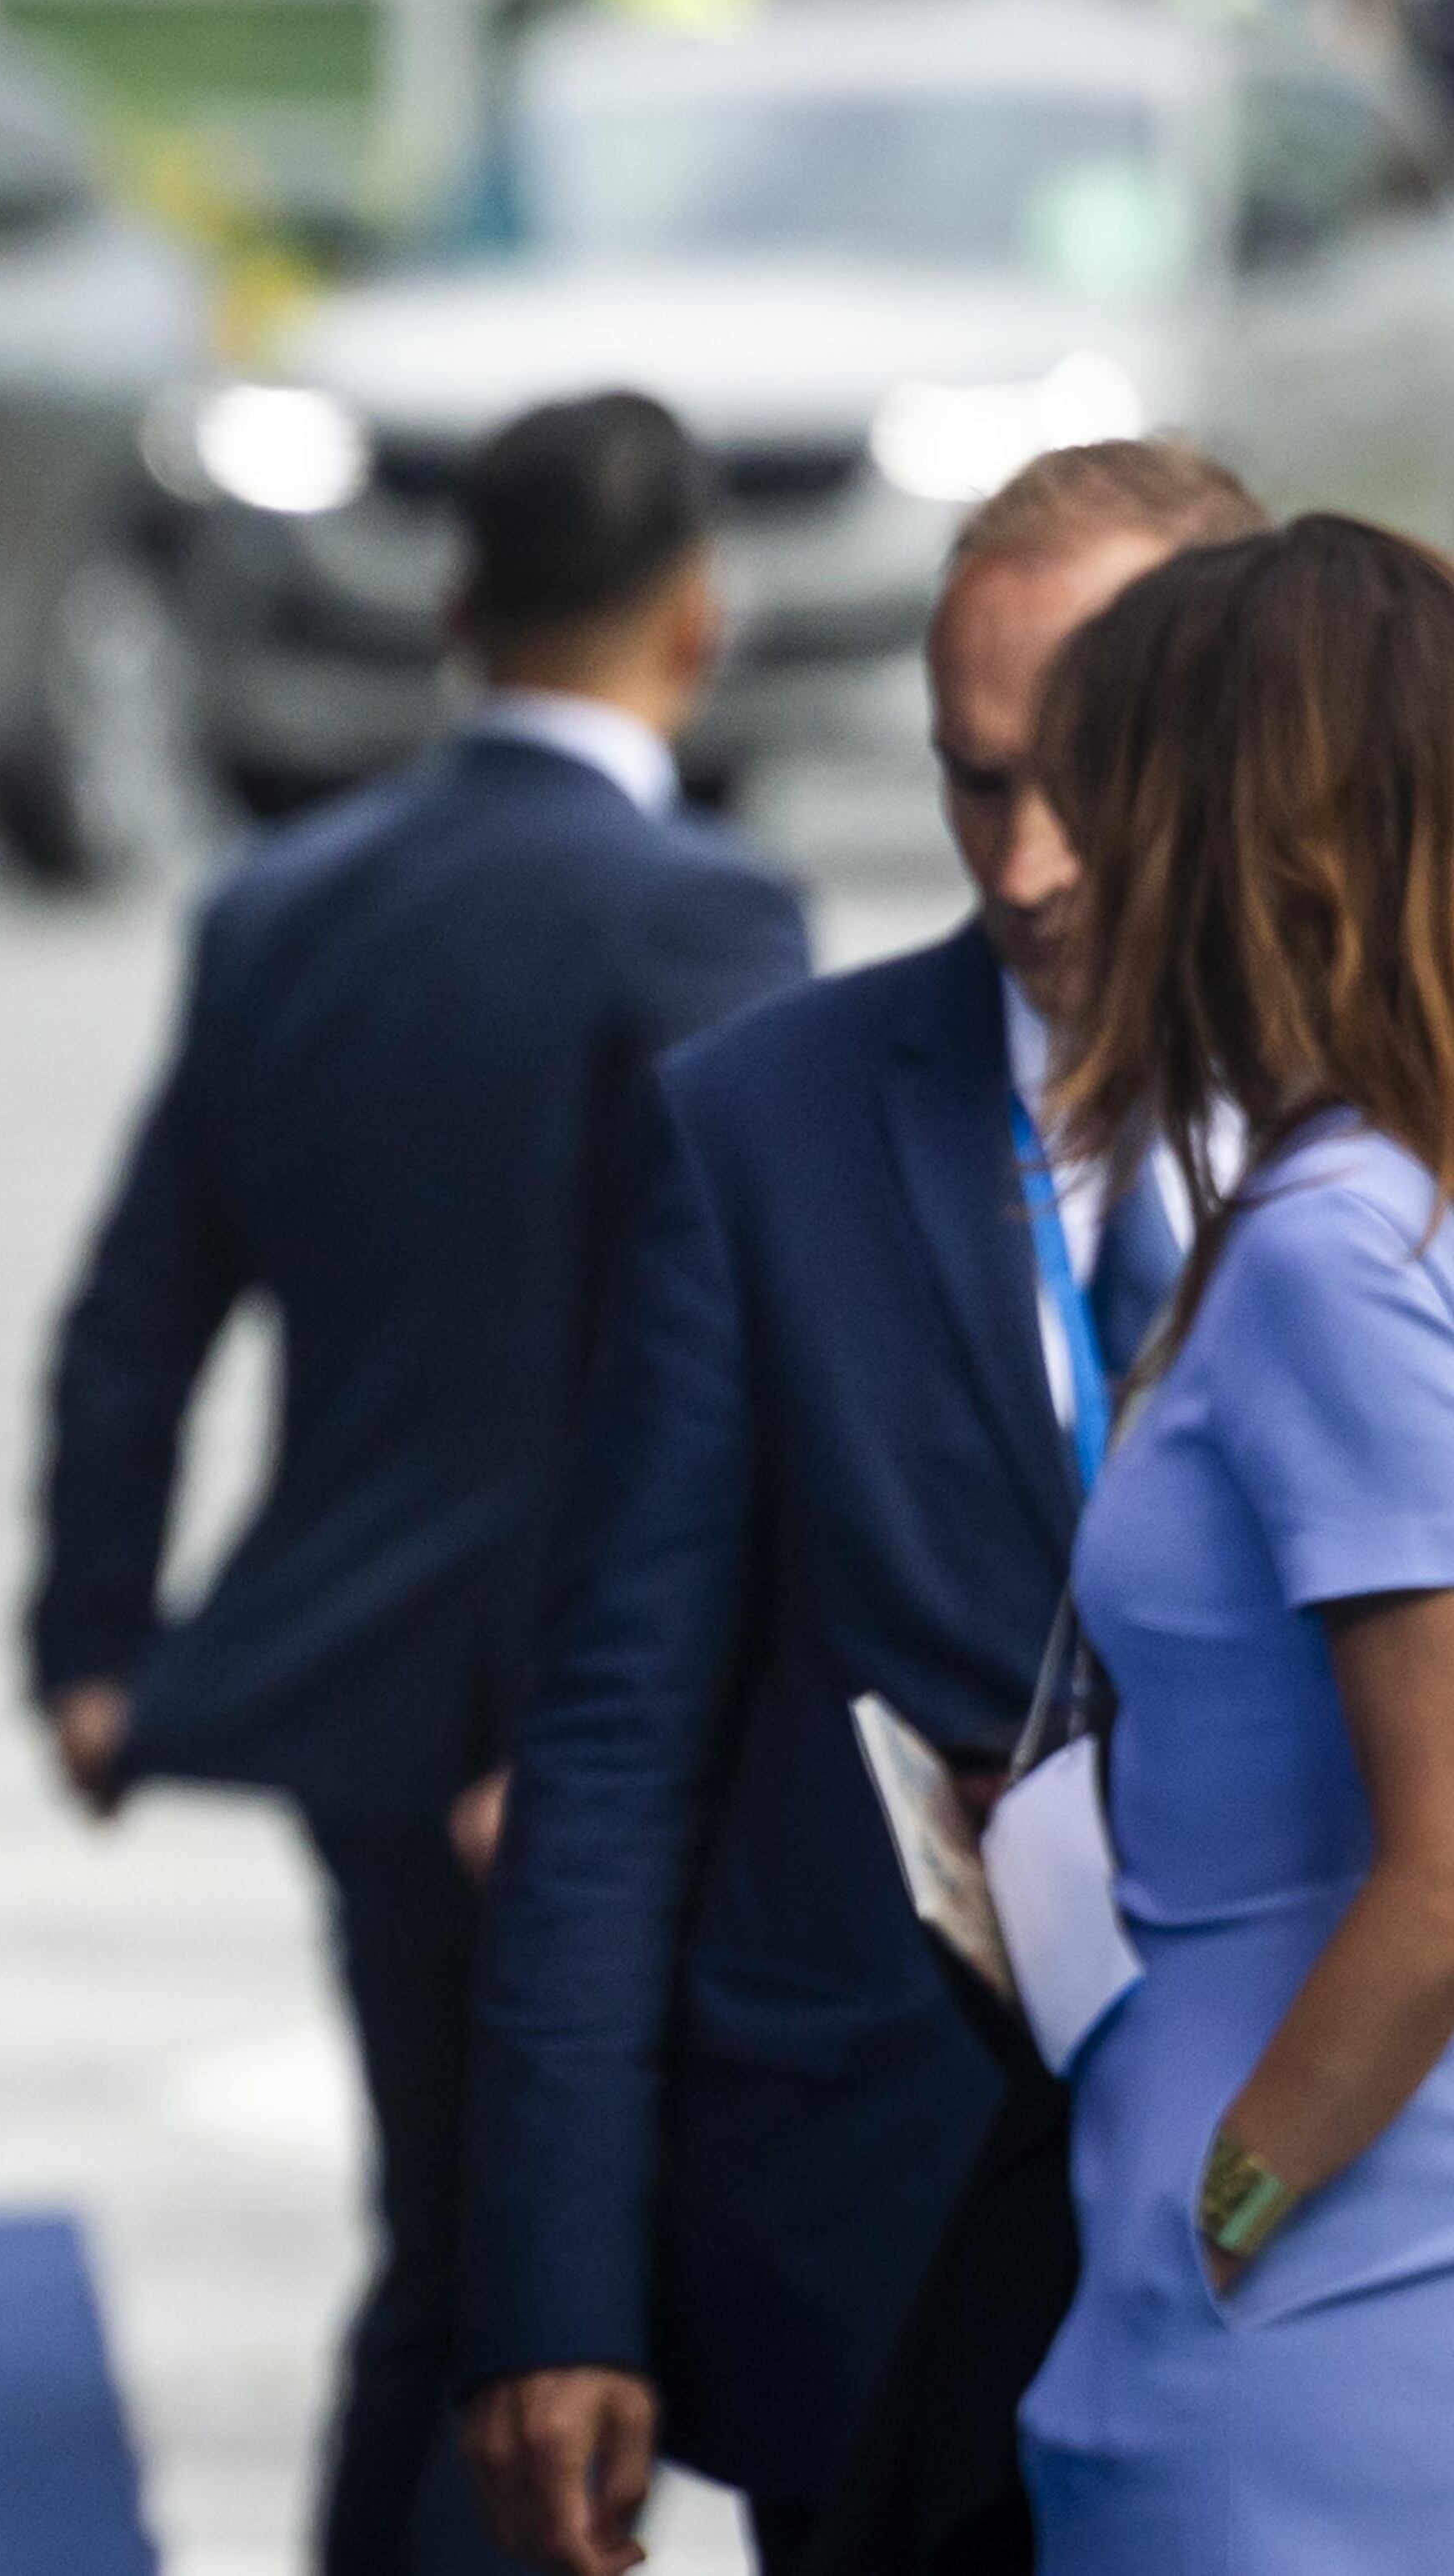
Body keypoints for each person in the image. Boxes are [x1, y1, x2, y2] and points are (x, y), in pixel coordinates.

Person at [451, 443, 1267, 2576]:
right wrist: (554, 2279)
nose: (1029, 859)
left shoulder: (1403, 1127)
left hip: (1319, 2234)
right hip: (883, 2257)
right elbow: (615, 1736)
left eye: (1088, 777)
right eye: (971, 781)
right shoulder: (764, 1125)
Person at [23, 391, 810, 2576]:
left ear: (455, 607)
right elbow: (735, 1354)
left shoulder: (286, 899)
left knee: (455, 2224)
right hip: (587, 1723)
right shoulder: (710, 918)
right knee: (539, 2272)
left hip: (361, 1698)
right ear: (701, 622)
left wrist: (95, 1642)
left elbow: (140, 1300)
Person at [1008, 516, 1454, 2567]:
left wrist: (1224, 2208)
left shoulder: (1325, 1251)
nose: (1045, 869)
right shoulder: (1363, 1205)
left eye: (1094, 807)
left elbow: (1443, 1857)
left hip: (1292, 2341)